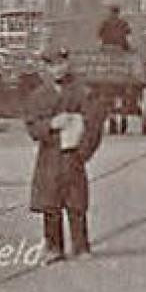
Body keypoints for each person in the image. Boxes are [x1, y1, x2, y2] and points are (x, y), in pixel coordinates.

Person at [24, 49, 104, 264]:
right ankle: (53, 246)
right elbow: (32, 126)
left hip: (73, 155)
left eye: (61, 63)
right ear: (45, 68)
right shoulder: (38, 96)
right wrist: (50, 124)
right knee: (50, 201)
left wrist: (83, 152)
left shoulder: (83, 92)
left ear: (68, 64)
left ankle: (81, 246)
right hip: (49, 155)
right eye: (52, 65)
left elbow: (94, 125)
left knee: (76, 201)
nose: (57, 69)